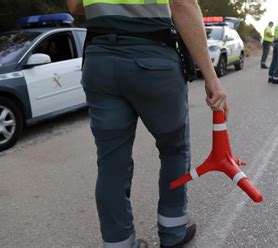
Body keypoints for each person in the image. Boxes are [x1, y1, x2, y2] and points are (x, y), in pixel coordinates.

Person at [66, 0, 229, 247]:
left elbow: (75, 6)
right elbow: (182, 3)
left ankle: (119, 244)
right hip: (153, 59)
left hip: (100, 62)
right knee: (174, 148)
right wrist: (211, 76)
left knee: (111, 164)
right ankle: (172, 231)